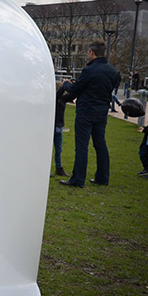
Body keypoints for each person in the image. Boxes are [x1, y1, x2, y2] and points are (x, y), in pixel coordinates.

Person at [59, 41, 120, 188]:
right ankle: (102, 177)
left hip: (86, 112)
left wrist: (66, 84)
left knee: (81, 146)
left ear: (92, 52)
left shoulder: (89, 70)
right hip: (101, 112)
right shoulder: (113, 72)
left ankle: (78, 179)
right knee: (100, 144)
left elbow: (75, 89)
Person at [53, 79, 74, 177]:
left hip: (59, 126)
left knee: (59, 149)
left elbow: (73, 94)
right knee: (55, 149)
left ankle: (59, 168)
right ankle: (56, 168)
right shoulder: (54, 99)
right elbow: (60, 93)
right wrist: (65, 84)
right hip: (53, 127)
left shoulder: (63, 100)